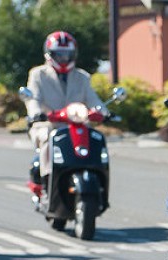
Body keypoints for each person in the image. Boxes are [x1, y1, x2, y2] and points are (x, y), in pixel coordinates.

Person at [23, 30, 105, 197]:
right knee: (48, 137)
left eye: (67, 54)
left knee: (95, 139)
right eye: (59, 54)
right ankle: (47, 182)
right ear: (50, 54)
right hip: (47, 123)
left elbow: (93, 99)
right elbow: (33, 99)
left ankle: (99, 181)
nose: (63, 58)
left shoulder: (82, 77)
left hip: (77, 124)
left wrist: (103, 112)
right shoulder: (38, 74)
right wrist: (36, 113)